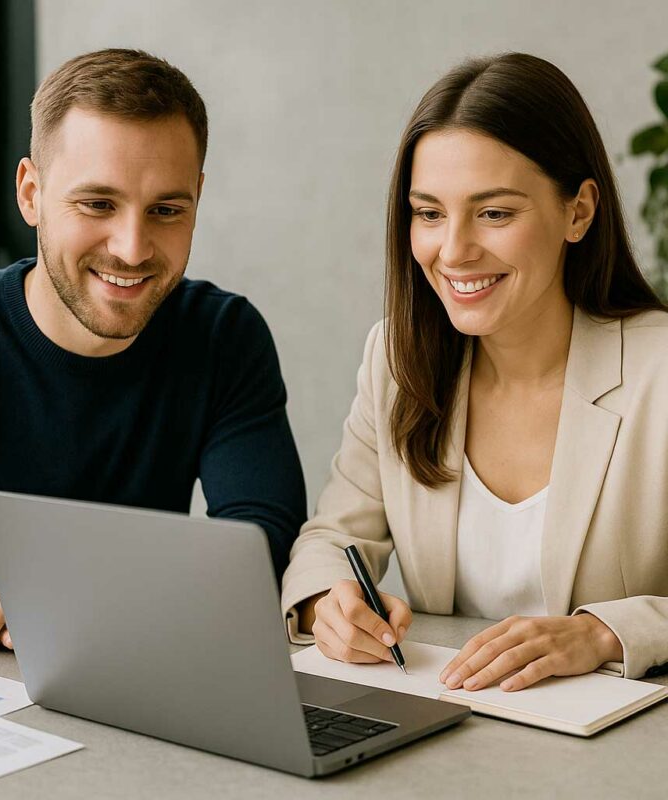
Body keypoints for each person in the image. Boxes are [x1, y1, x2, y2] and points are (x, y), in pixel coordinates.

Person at [0, 48, 306, 651]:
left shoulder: (223, 334)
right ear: (31, 194)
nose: (131, 248)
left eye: (167, 210)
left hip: (139, 674)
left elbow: (263, 541)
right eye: (97, 204)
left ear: (197, 199)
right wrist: (32, 602)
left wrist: (74, 588)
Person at [281, 52, 668, 689]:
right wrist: (330, 602)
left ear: (578, 211)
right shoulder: (397, 361)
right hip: (457, 739)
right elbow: (332, 536)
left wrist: (601, 633)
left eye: (494, 213)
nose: (453, 250)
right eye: (429, 213)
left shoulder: (657, 371)